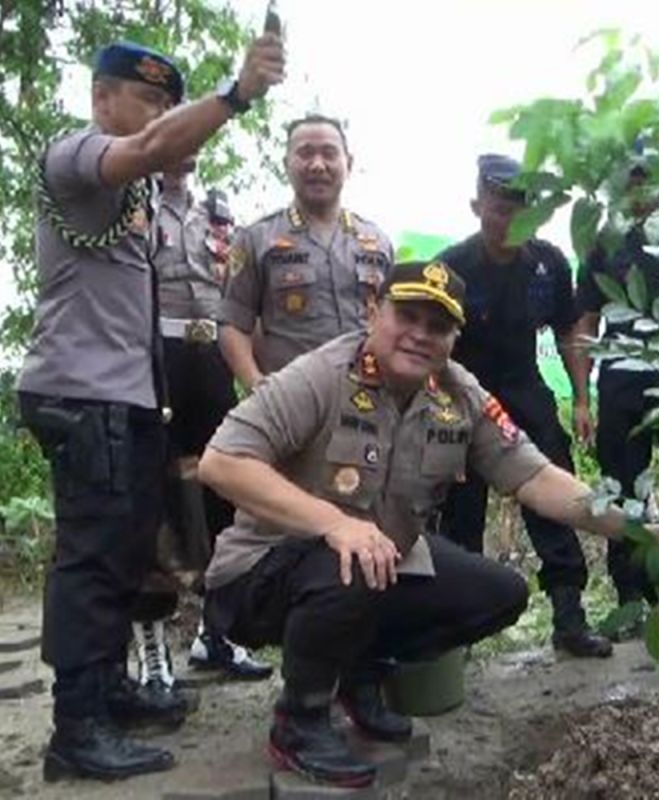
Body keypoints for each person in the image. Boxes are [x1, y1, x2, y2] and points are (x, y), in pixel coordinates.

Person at [197, 261, 659, 787]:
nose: (421, 335)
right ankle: (300, 721)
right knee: (352, 558)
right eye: (408, 316)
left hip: (373, 565)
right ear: (374, 311)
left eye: (438, 325)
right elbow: (222, 463)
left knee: (499, 592)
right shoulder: (320, 375)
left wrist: (636, 525)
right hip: (260, 575)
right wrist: (335, 523)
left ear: (455, 336)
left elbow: (536, 479)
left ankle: (359, 675)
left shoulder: (459, 394)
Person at [17, 37, 284, 782]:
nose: (163, 116)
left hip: (130, 398)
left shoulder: (137, 197)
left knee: (131, 549)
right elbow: (154, 149)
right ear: (104, 99)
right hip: (81, 391)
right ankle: (77, 727)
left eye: (171, 103)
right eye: (152, 101)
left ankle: (105, 689)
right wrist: (235, 97)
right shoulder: (77, 157)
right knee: (92, 560)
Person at [436, 155, 611, 658]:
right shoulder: (451, 267)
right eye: (498, 210)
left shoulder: (549, 263)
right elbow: (430, 343)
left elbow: (568, 332)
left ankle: (569, 617)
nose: (509, 222)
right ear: (478, 207)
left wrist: (581, 399)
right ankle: (458, 633)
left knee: (554, 493)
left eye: (520, 211)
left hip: (525, 390)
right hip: (462, 394)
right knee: (460, 514)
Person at [572, 158, 659, 631]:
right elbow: (586, 323)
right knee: (623, 489)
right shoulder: (602, 241)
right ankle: (632, 597)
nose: (640, 187)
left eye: (648, 176)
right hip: (621, 386)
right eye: (632, 178)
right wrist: (580, 398)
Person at [147, 160, 273, 685]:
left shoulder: (218, 216)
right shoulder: (134, 204)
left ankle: (218, 633)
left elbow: (243, 304)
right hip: (153, 357)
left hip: (213, 360)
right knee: (155, 500)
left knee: (225, 491)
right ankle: (151, 652)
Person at [218, 114, 394, 387]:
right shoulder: (257, 238)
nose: (317, 165)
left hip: (367, 396)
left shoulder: (378, 241)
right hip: (291, 399)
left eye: (329, 153)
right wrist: (255, 384)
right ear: (286, 164)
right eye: (305, 153)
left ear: (349, 163)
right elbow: (233, 324)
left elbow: (394, 323)